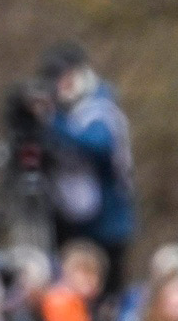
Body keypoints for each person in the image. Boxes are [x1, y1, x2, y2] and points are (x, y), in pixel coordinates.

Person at [40, 42, 136, 290]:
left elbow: (98, 145)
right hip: (69, 222)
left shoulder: (100, 108)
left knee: (104, 291)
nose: (59, 85)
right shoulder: (61, 114)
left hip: (106, 225)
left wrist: (52, 123)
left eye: (64, 77)